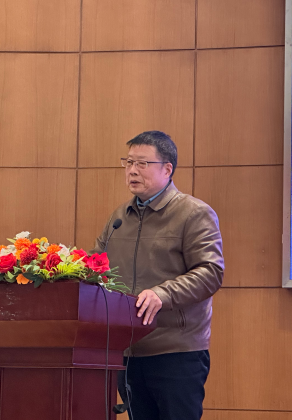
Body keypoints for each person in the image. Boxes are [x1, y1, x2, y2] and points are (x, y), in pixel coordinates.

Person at [91, 130, 224, 420]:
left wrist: (162, 294)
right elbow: (95, 266)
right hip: (127, 351)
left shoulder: (193, 213)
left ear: (167, 169)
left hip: (175, 349)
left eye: (142, 163)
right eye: (128, 162)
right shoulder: (119, 218)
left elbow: (210, 271)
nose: (132, 170)